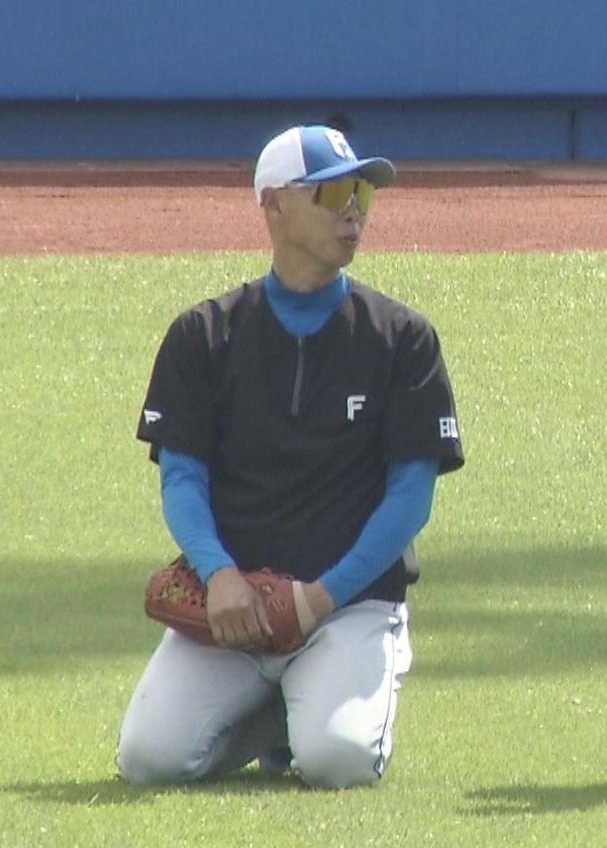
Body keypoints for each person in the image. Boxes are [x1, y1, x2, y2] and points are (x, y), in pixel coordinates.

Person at [116, 125, 465, 789]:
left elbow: (411, 495)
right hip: (234, 610)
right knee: (148, 761)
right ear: (272, 204)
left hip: (351, 606)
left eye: (362, 191)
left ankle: (308, 708)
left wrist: (321, 598)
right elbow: (182, 479)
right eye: (332, 192)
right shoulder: (204, 336)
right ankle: (279, 713)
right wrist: (219, 575)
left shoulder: (401, 338)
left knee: (337, 761)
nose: (353, 208)